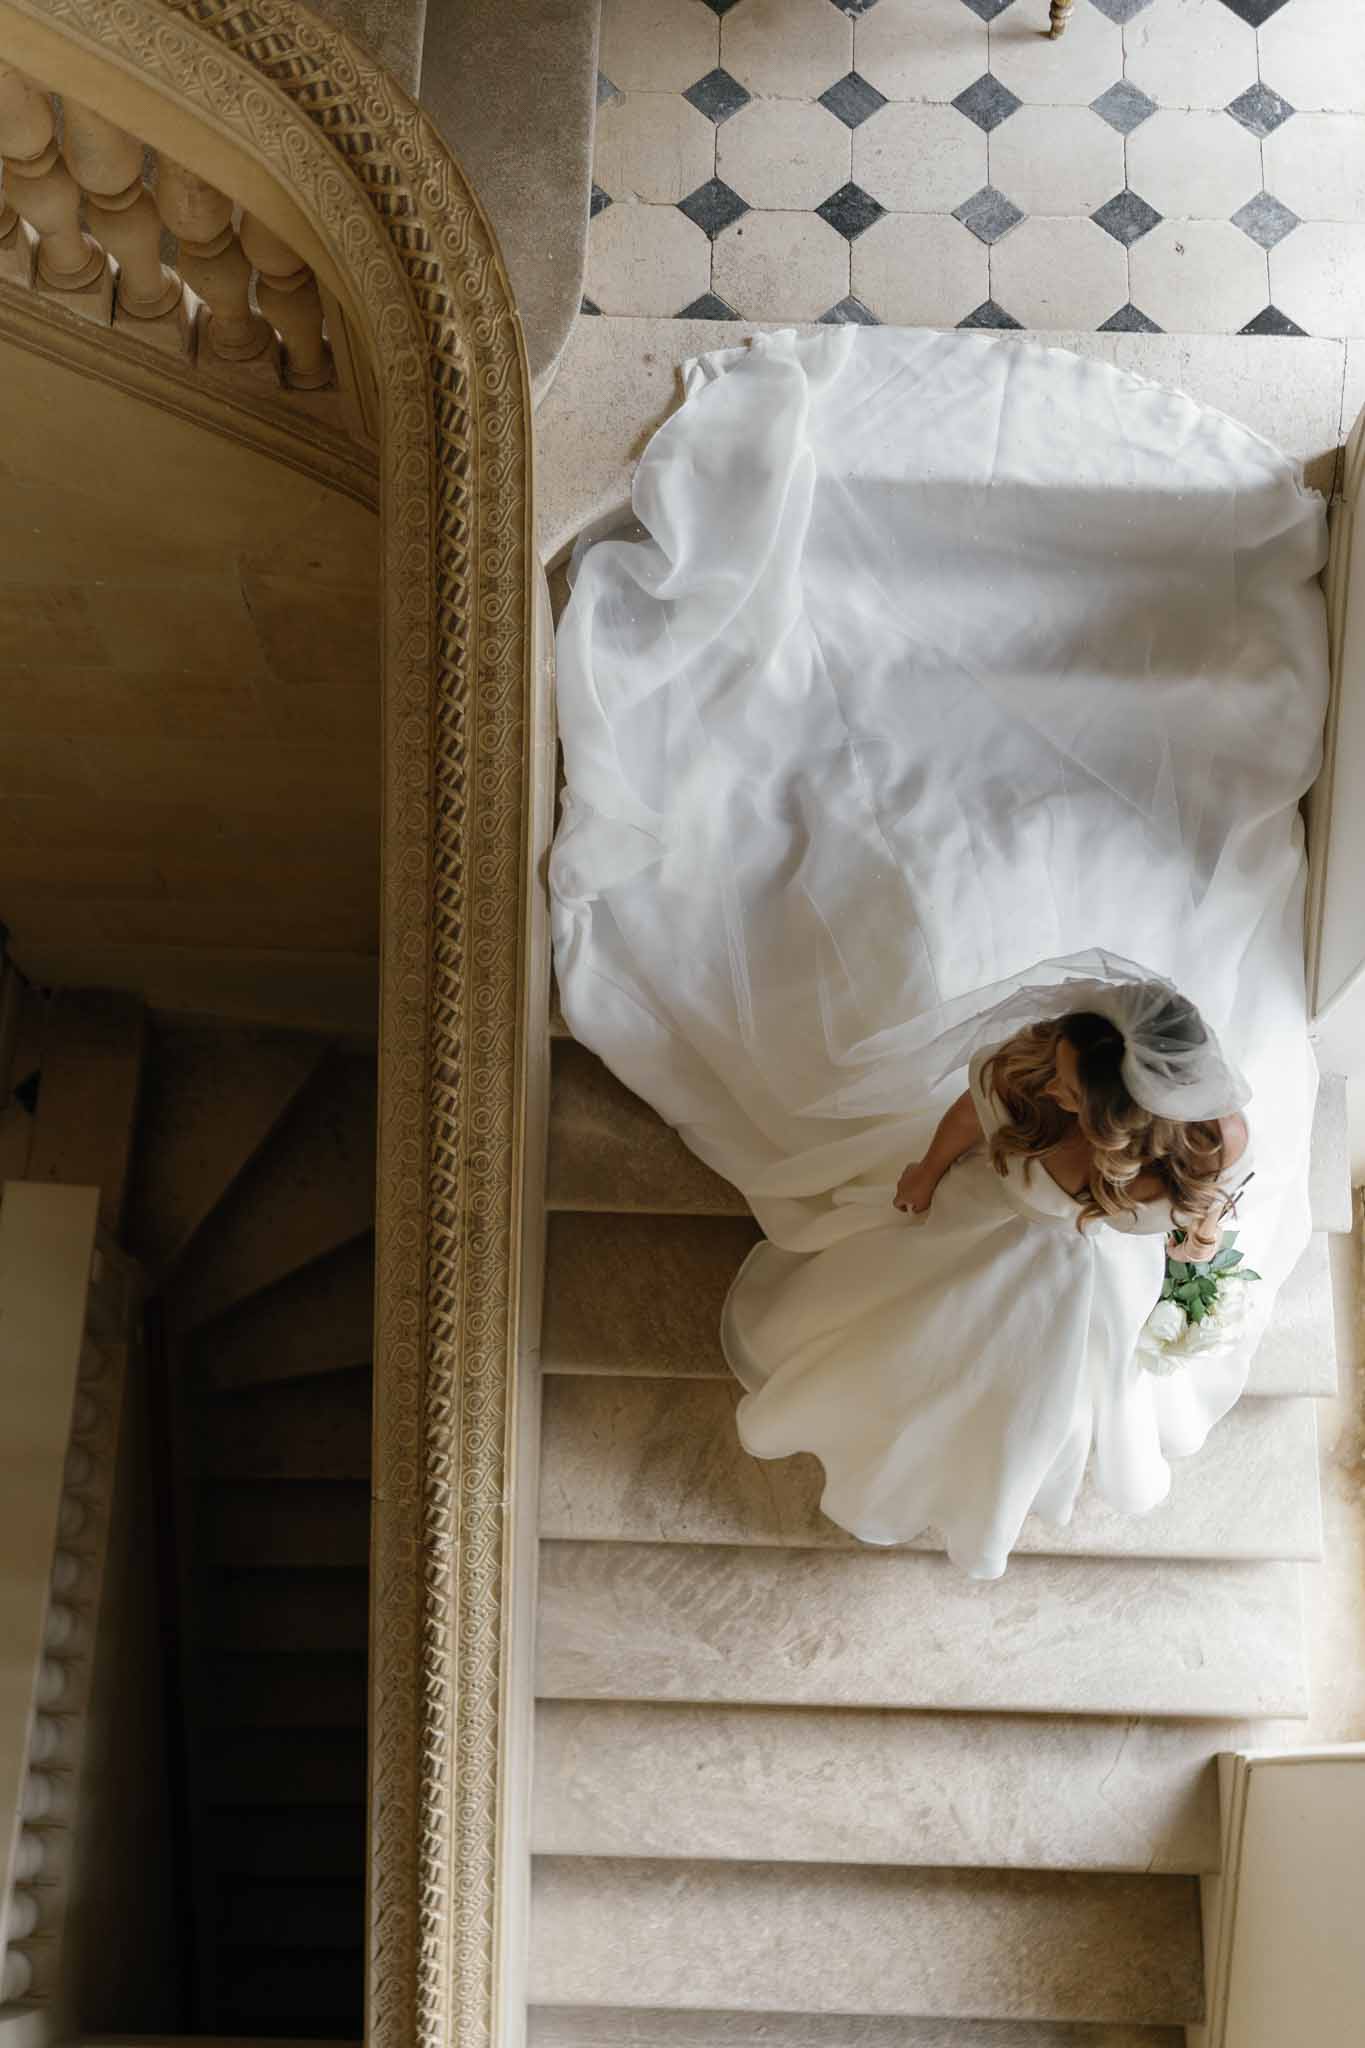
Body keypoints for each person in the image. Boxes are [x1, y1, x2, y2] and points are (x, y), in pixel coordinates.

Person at [549, 326, 1329, 1578]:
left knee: (1045, 1380)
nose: (1082, 1131)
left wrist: (1189, 1256)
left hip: (1070, 1298)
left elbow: (1209, 1214)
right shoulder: (1029, 1080)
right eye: (1078, 1105)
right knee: (954, 1346)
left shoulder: (1221, 1138)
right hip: (986, 1255)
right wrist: (920, 1178)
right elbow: (969, 1123)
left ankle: (1024, 1447)